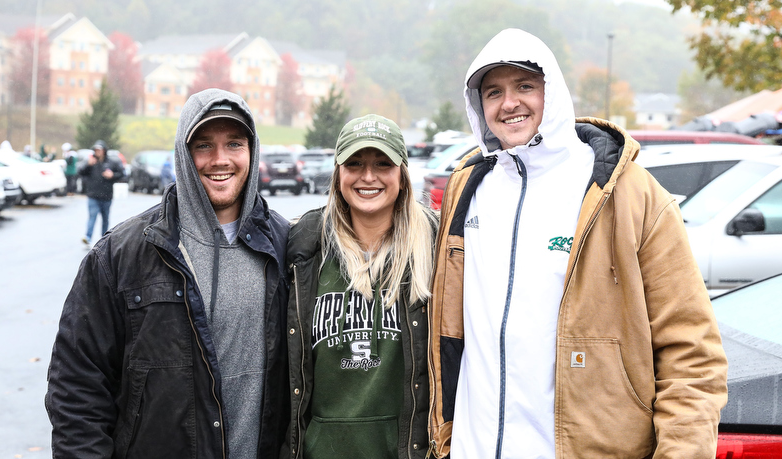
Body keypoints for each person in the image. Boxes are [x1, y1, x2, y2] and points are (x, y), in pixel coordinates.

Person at [428, 29, 728, 458]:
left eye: (525, 86)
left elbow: (691, 353)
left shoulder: (628, 194)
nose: (509, 102)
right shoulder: (468, 188)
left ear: (555, 91)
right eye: (493, 92)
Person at [46, 89, 290, 458]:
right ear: (183, 153)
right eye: (204, 145)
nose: (220, 160)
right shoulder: (121, 254)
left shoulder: (288, 246)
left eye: (234, 144)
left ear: (252, 153)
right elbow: (76, 386)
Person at [284, 114, 437, 459]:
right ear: (339, 174)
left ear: (402, 174)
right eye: (355, 164)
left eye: (383, 164)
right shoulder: (304, 246)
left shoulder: (435, 246)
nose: (368, 176)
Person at [77, 139, 124, 244]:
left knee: (105, 218)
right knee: (92, 216)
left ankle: (104, 239)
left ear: (104, 150)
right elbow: (80, 172)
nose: (97, 152)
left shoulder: (111, 162)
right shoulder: (91, 161)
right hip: (93, 195)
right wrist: (88, 165)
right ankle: (88, 236)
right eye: (96, 150)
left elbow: (122, 174)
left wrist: (112, 175)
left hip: (106, 195)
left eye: (100, 150)